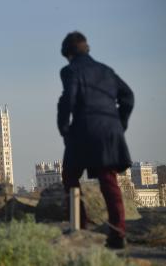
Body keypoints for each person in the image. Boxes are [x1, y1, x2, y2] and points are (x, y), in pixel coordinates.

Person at [57, 31, 134, 249]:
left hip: (83, 131)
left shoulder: (70, 70)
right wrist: (120, 123)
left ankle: (79, 229)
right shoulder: (106, 71)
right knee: (109, 181)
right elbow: (128, 96)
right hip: (110, 133)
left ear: (68, 54)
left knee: (70, 177)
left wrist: (64, 130)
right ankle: (118, 233)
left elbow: (68, 100)